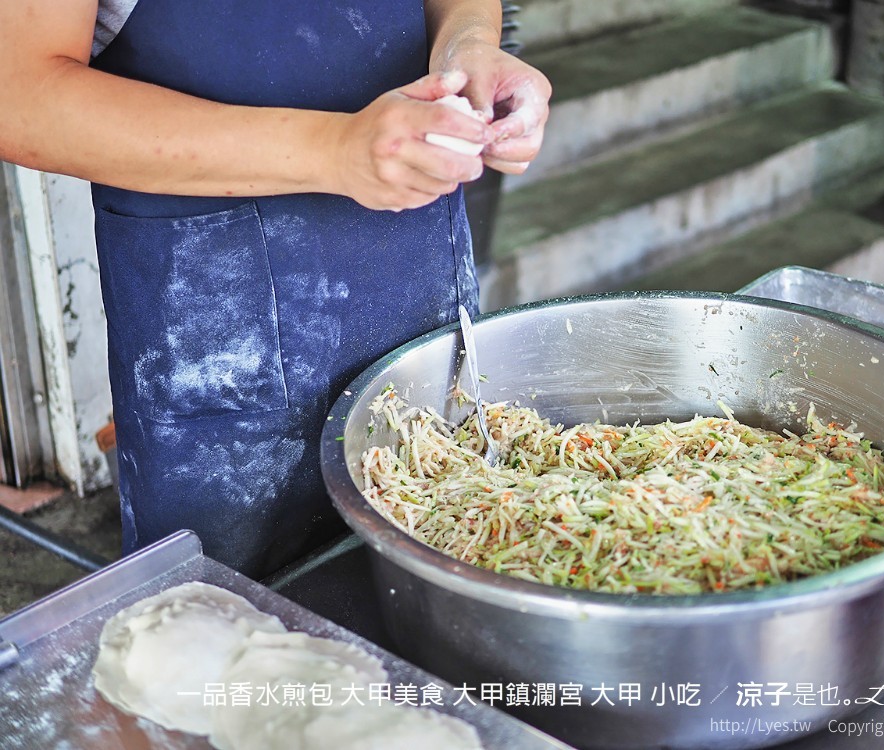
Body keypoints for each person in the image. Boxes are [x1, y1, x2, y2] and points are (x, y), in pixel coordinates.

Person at [0, 0, 551, 578]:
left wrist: (469, 45)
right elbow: (20, 95)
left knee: (446, 565)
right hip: (227, 323)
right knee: (245, 627)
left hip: (419, 268)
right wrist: (335, 150)